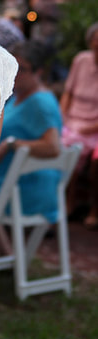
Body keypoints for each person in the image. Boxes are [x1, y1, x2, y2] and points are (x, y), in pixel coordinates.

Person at [0, 40, 62, 248]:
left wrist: (11, 144)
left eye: (23, 69)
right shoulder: (19, 96)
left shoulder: (40, 102)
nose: (16, 73)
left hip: (25, 189)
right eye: (13, 65)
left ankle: (5, 257)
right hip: (11, 182)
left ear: (39, 72)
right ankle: (3, 257)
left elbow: (53, 147)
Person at [60, 21, 98, 229]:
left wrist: (89, 128)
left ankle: (93, 209)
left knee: (96, 160)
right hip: (74, 122)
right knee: (65, 146)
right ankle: (67, 202)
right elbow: (68, 92)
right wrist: (62, 116)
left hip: (94, 127)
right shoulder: (81, 60)